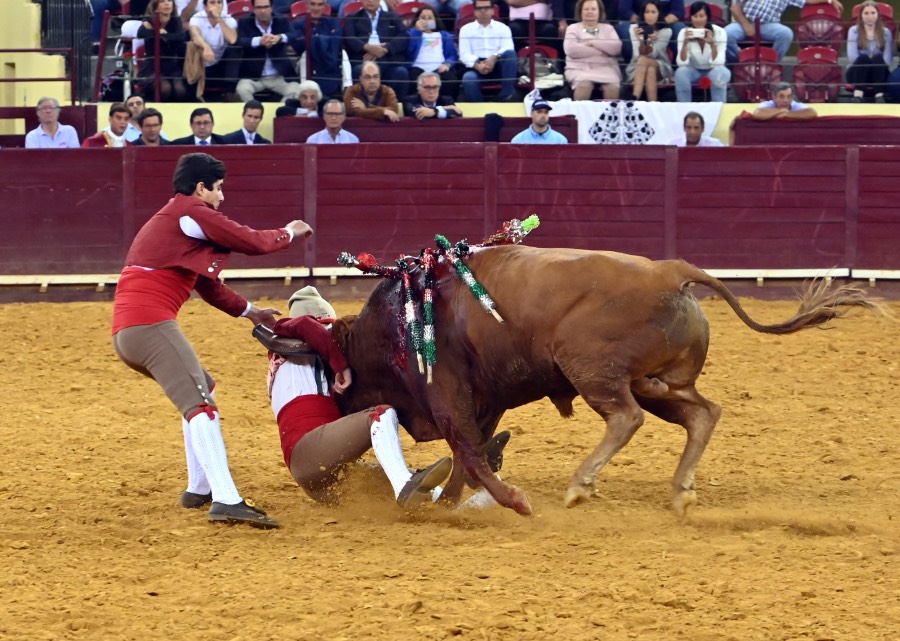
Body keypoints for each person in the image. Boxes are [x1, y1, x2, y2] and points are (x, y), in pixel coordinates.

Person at [111, 152, 313, 529]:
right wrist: (289, 232)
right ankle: (226, 499)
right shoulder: (191, 211)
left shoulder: (178, 221)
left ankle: (199, 488)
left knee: (203, 387)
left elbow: (209, 287)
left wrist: (251, 311)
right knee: (200, 405)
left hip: (131, 332)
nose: (221, 197)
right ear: (201, 187)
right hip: (150, 325)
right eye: (217, 189)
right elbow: (250, 240)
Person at [260, 287, 455, 507]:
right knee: (381, 414)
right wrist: (341, 364)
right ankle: (403, 485)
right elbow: (306, 325)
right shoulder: (289, 336)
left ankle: (470, 495)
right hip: (308, 453)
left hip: (326, 470)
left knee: (425, 488)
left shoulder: (301, 364)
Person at [725, 0, 843, 65]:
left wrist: (830, 0)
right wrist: (746, 25)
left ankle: (772, 64)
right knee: (727, 34)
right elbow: (735, 8)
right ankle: (741, 63)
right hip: (744, 22)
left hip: (768, 25)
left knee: (786, 33)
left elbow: (808, 1)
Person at [342, 0, 411, 100]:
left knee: (401, 72)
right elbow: (349, 37)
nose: (370, 1)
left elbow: (404, 37)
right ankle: (361, 107)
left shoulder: (392, 17)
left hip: (387, 60)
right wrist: (367, 47)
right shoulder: (352, 18)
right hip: (363, 60)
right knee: (357, 71)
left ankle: (398, 107)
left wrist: (386, 48)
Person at [235, 0, 302, 102]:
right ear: (253, 9)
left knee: (296, 90)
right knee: (242, 90)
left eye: (266, 7)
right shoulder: (244, 21)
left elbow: (294, 36)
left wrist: (279, 38)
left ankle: (279, 112)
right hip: (254, 77)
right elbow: (240, 41)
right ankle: (255, 112)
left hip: (279, 76)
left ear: (271, 8)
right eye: (259, 7)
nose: (263, 11)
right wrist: (259, 41)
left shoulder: (281, 20)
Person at [458, 0, 518, 102]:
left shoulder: (503, 28)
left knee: (510, 54)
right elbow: (464, 54)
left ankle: (505, 97)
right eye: (480, 8)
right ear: (475, 11)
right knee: (468, 78)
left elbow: (508, 47)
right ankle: (479, 110)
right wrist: (477, 64)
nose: (483, 11)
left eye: (486, 8)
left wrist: (494, 56)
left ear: (492, 10)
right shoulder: (465, 29)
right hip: (477, 66)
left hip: (498, 64)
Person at [562, 0, 621, 100]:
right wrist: (602, 51)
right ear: (580, 11)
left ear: (599, 12)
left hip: (606, 69)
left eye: (593, 9)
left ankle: (607, 115)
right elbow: (571, 50)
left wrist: (592, 42)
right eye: (586, 9)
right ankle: (579, 115)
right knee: (584, 86)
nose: (590, 12)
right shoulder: (573, 28)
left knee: (612, 88)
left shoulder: (608, 28)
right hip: (580, 69)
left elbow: (616, 48)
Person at [674, 1, 730, 103]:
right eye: (695, 16)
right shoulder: (684, 33)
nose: (698, 20)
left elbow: (719, 62)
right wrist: (685, 43)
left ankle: (719, 107)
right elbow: (681, 63)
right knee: (680, 73)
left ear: (707, 17)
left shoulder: (720, 32)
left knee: (719, 73)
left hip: (714, 69)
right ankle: (684, 108)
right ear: (691, 18)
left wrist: (712, 44)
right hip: (693, 70)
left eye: (702, 16)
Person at [287, 0, 344, 98]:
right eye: (313, 4)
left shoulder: (333, 23)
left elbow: (335, 46)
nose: (316, 8)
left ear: (325, 6)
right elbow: (299, 46)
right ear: (307, 5)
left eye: (320, 4)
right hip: (307, 66)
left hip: (329, 65)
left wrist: (313, 39)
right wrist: (324, 40)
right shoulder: (297, 25)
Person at [136, 0, 190, 102]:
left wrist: (161, 35)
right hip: (152, 67)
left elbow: (181, 37)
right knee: (165, 88)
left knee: (180, 90)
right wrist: (164, 35)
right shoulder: (149, 20)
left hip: (172, 66)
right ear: (156, 7)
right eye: (162, 1)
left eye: (169, 1)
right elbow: (141, 33)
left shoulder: (176, 21)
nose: (167, 4)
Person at [187, 0, 241, 100]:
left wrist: (218, 18)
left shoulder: (229, 19)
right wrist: (206, 47)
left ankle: (228, 93)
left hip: (220, 64)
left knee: (235, 50)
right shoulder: (197, 18)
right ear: (205, 7)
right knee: (189, 47)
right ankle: (192, 94)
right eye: (212, 2)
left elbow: (232, 39)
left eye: (219, 2)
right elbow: (195, 36)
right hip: (200, 62)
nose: (216, 5)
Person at [406, 7, 461, 102]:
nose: (426, 20)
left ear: (435, 20)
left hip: (439, 68)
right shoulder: (411, 34)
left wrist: (447, 64)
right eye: (423, 17)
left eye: (430, 18)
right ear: (417, 20)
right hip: (417, 69)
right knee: (412, 78)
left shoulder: (444, 35)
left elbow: (453, 55)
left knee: (451, 79)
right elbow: (408, 50)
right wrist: (416, 31)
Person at [626, 0, 673, 102]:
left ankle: (634, 99)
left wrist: (651, 42)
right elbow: (637, 54)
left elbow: (655, 54)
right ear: (642, 14)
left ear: (659, 14)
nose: (650, 15)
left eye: (653, 12)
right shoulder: (634, 29)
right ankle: (653, 104)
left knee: (644, 60)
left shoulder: (666, 32)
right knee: (649, 68)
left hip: (660, 65)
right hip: (637, 66)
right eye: (647, 12)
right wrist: (642, 41)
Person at [846, 0, 892, 103]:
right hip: (856, 73)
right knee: (863, 58)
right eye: (866, 13)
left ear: (877, 15)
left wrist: (874, 61)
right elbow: (852, 58)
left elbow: (887, 60)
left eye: (873, 13)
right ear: (861, 15)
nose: (869, 16)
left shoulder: (886, 32)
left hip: (878, 73)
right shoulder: (853, 30)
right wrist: (868, 60)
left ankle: (879, 95)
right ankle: (858, 95)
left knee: (878, 58)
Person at [616, 0, 685, 61]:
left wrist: (658, 23)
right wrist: (644, 22)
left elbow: (678, 12)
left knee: (679, 28)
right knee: (623, 28)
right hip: (639, 20)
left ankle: (676, 67)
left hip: (665, 22)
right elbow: (624, 10)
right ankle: (632, 63)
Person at [751, 81, 818, 120]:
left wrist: (786, 114)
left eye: (789, 96)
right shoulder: (767, 104)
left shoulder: (795, 105)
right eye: (781, 96)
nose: (786, 100)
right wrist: (780, 111)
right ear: (774, 97)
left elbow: (812, 112)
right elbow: (757, 113)